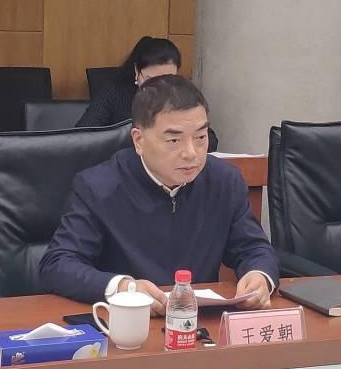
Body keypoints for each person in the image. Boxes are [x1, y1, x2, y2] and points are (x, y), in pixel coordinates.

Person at [41, 75, 277, 314]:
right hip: (128, 322)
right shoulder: (99, 186)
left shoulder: (224, 181)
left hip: (198, 322)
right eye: (174, 140)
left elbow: (253, 247)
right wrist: (123, 288)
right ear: (139, 141)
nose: (191, 153)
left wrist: (259, 275)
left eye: (200, 137)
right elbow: (58, 264)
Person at [78, 36, 219, 151]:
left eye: (168, 79)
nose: (161, 87)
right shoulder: (113, 92)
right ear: (137, 71)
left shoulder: (183, 95)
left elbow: (210, 140)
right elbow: (82, 136)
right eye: (151, 80)